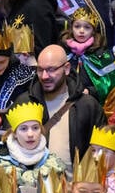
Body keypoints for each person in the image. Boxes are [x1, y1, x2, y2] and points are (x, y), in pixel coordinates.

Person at [15, 44, 106, 172]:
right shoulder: (24, 103)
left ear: (67, 68)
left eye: (51, 69)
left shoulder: (88, 105)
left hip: (75, 187)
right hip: (33, 186)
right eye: (40, 70)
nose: (45, 76)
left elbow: (102, 151)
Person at [0, 101, 67, 193]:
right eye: (23, 128)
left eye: (35, 128)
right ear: (14, 133)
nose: (30, 134)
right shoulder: (0, 164)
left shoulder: (54, 164)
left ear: (41, 130)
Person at [61, 6, 115, 104]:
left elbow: (111, 83)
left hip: (92, 103)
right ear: (71, 28)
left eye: (87, 27)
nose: (81, 31)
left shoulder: (101, 54)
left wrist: (90, 91)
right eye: (77, 26)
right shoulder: (63, 51)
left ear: (93, 31)